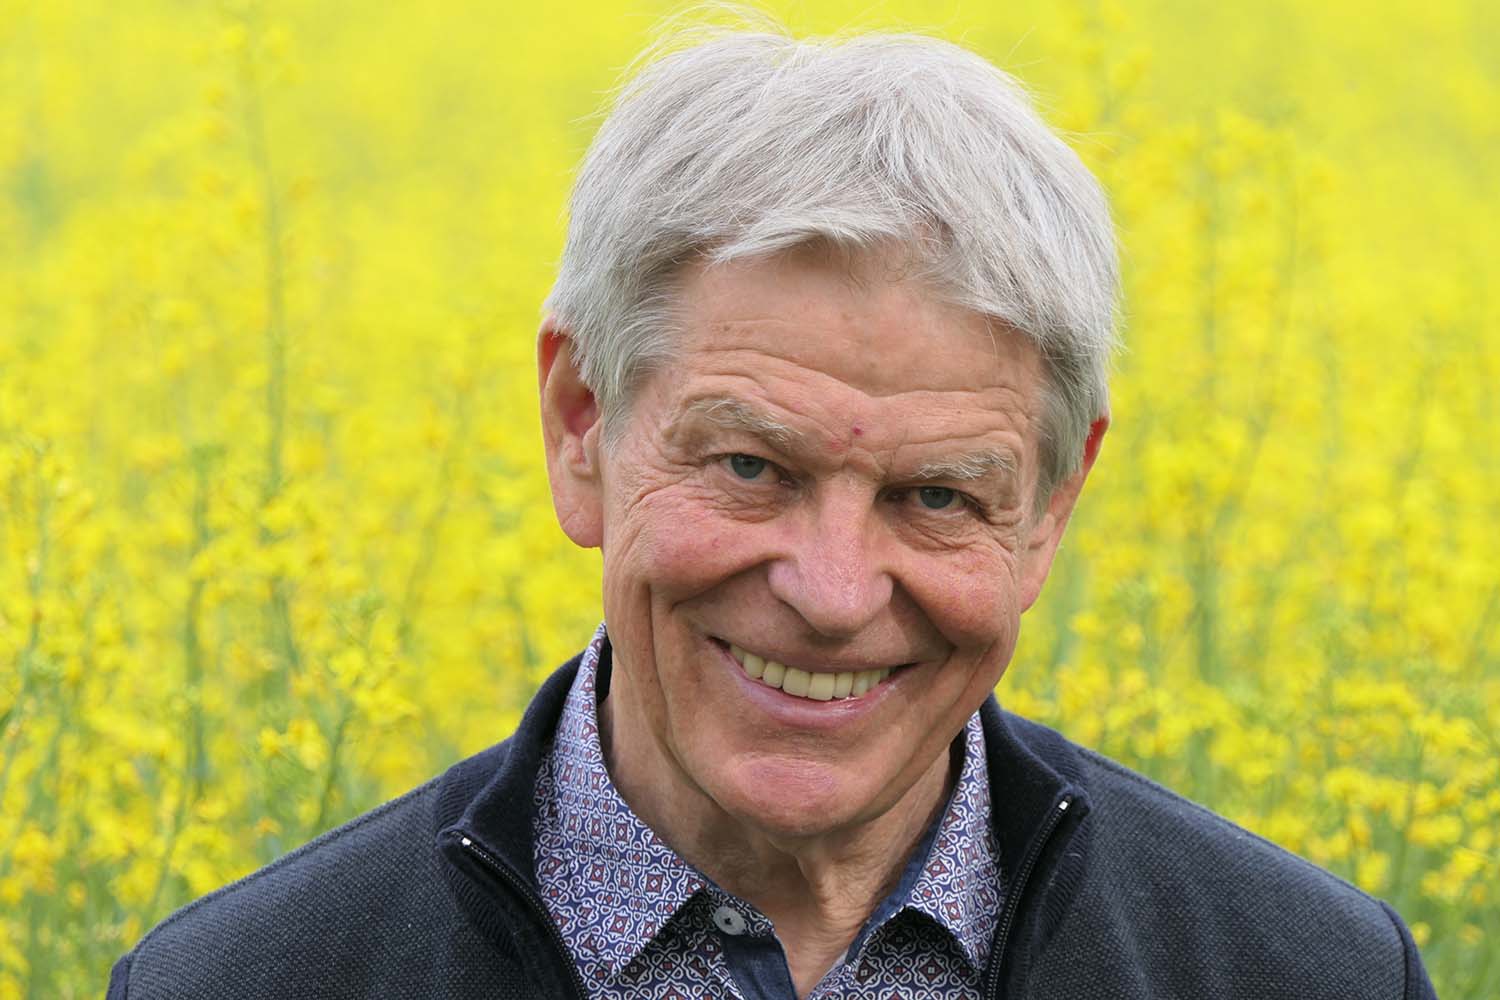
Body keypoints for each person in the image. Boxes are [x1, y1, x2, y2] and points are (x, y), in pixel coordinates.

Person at [108, 21, 1437, 1000]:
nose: (833, 588)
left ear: (1050, 506)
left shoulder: (1307, 974)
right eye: (753, 467)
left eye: (936, 496)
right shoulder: (242, 985)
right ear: (583, 422)